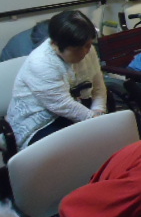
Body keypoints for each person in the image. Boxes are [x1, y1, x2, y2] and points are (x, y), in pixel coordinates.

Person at [7, 10, 107, 150]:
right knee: (74, 148)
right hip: (42, 119)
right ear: (55, 44)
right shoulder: (40, 63)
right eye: (77, 49)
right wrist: (95, 121)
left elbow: (98, 84)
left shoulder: (87, 49)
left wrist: (99, 111)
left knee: (103, 138)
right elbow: (62, 104)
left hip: (76, 106)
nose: (85, 52)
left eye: (88, 45)